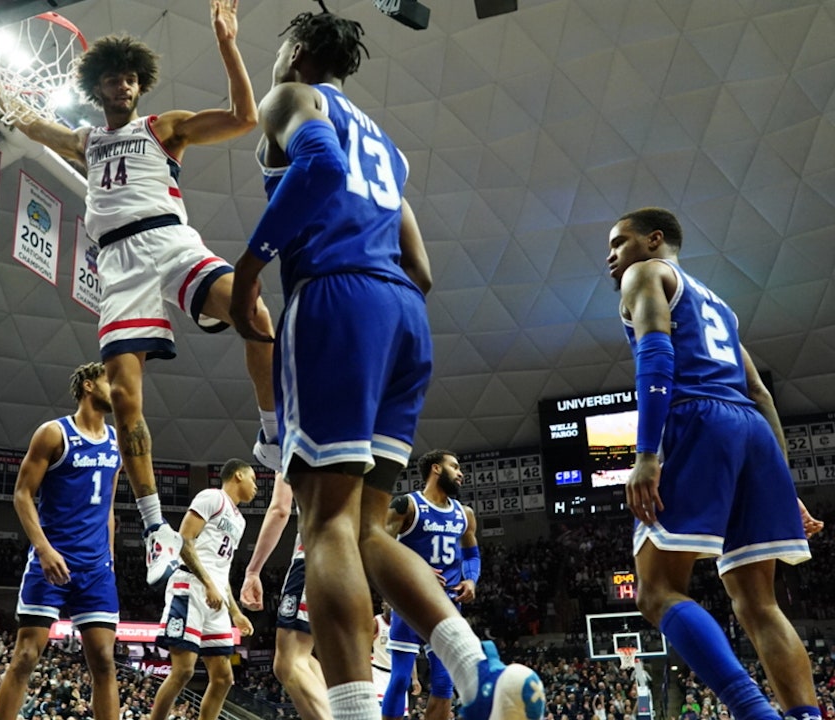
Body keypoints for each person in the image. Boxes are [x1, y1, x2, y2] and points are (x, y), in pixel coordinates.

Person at [228, 9, 544, 720]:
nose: (275, 60)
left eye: (280, 47)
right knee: (369, 530)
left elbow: (319, 164)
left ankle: (353, 713)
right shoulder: (388, 145)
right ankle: (477, 670)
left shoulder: (292, 98)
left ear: (301, 51)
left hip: (338, 302)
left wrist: (251, 269)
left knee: (326, 526)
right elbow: (422, 267)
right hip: (405, 317)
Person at [0, 0, 278, 586]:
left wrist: (227, 42)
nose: (124, 83)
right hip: (118, 264)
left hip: (171, 242)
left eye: (132, 76)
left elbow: (245, 118)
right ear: (99, 85)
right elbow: (25, 120)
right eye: (114, 76)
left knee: (253, 307)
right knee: (125, 400)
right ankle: (156, 528)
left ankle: (270, 431)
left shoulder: (164, 128)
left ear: (142, 86)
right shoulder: (85, 140)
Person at [606, 207, 825, 720]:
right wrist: (782, 487)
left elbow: (655, 357)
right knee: (757, 604)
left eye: (619, 243)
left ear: (654, 241)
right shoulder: (720, 307)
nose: (611, 257)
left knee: (656, 591)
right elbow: (760, 393)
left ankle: (755, 713)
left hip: (698, 418)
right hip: (751, 430)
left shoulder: (645, 274)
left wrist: (646, 453)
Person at [0, 362, 122, 720]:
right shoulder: (53, 433)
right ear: (89, 385)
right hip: (51, 562)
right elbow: (22, 494)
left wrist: (108, 557)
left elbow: (109, 506)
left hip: (96, 569)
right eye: (112, 381)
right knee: (26, 656)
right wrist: (44, 549)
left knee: (105, 661)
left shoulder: (118, 440)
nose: (120, 388)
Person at [151, 460, 257, 720]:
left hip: (216, 597)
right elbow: (183, 541)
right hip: (191, 588)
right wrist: (208, 584)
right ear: (239, 475)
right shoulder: (212, 497)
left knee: (223, 678)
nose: (255, 487)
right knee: (183, 671)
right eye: (253, 479)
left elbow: (223, 570)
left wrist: (236, 613)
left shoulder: (240, 521)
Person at [382, 449, 481, 720]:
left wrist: (471, 579)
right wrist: (415, 571)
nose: (461, 473)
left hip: (447, 607)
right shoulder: (407, 505)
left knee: (444, 685)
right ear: (436, 469)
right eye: (455, 467)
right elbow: (378, 548)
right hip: (410, 602)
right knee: (401, 679)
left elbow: (472, 554)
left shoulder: (465, 514)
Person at [238, 475, 330, 720]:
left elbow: (280, 510)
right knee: (303, 657)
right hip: (352, 563)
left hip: (316, 554)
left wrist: (253, 570)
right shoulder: (361, 444)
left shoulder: (294, 440)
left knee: (287, 663)